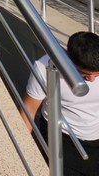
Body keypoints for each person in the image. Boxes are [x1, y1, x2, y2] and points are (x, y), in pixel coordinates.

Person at [21, 31, 99, 176]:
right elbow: (28, 110)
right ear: (69, 59)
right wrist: (22, 149)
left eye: (97, 74)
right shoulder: (45, 67)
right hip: (61, 138)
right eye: (85, 74)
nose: (92, 80)